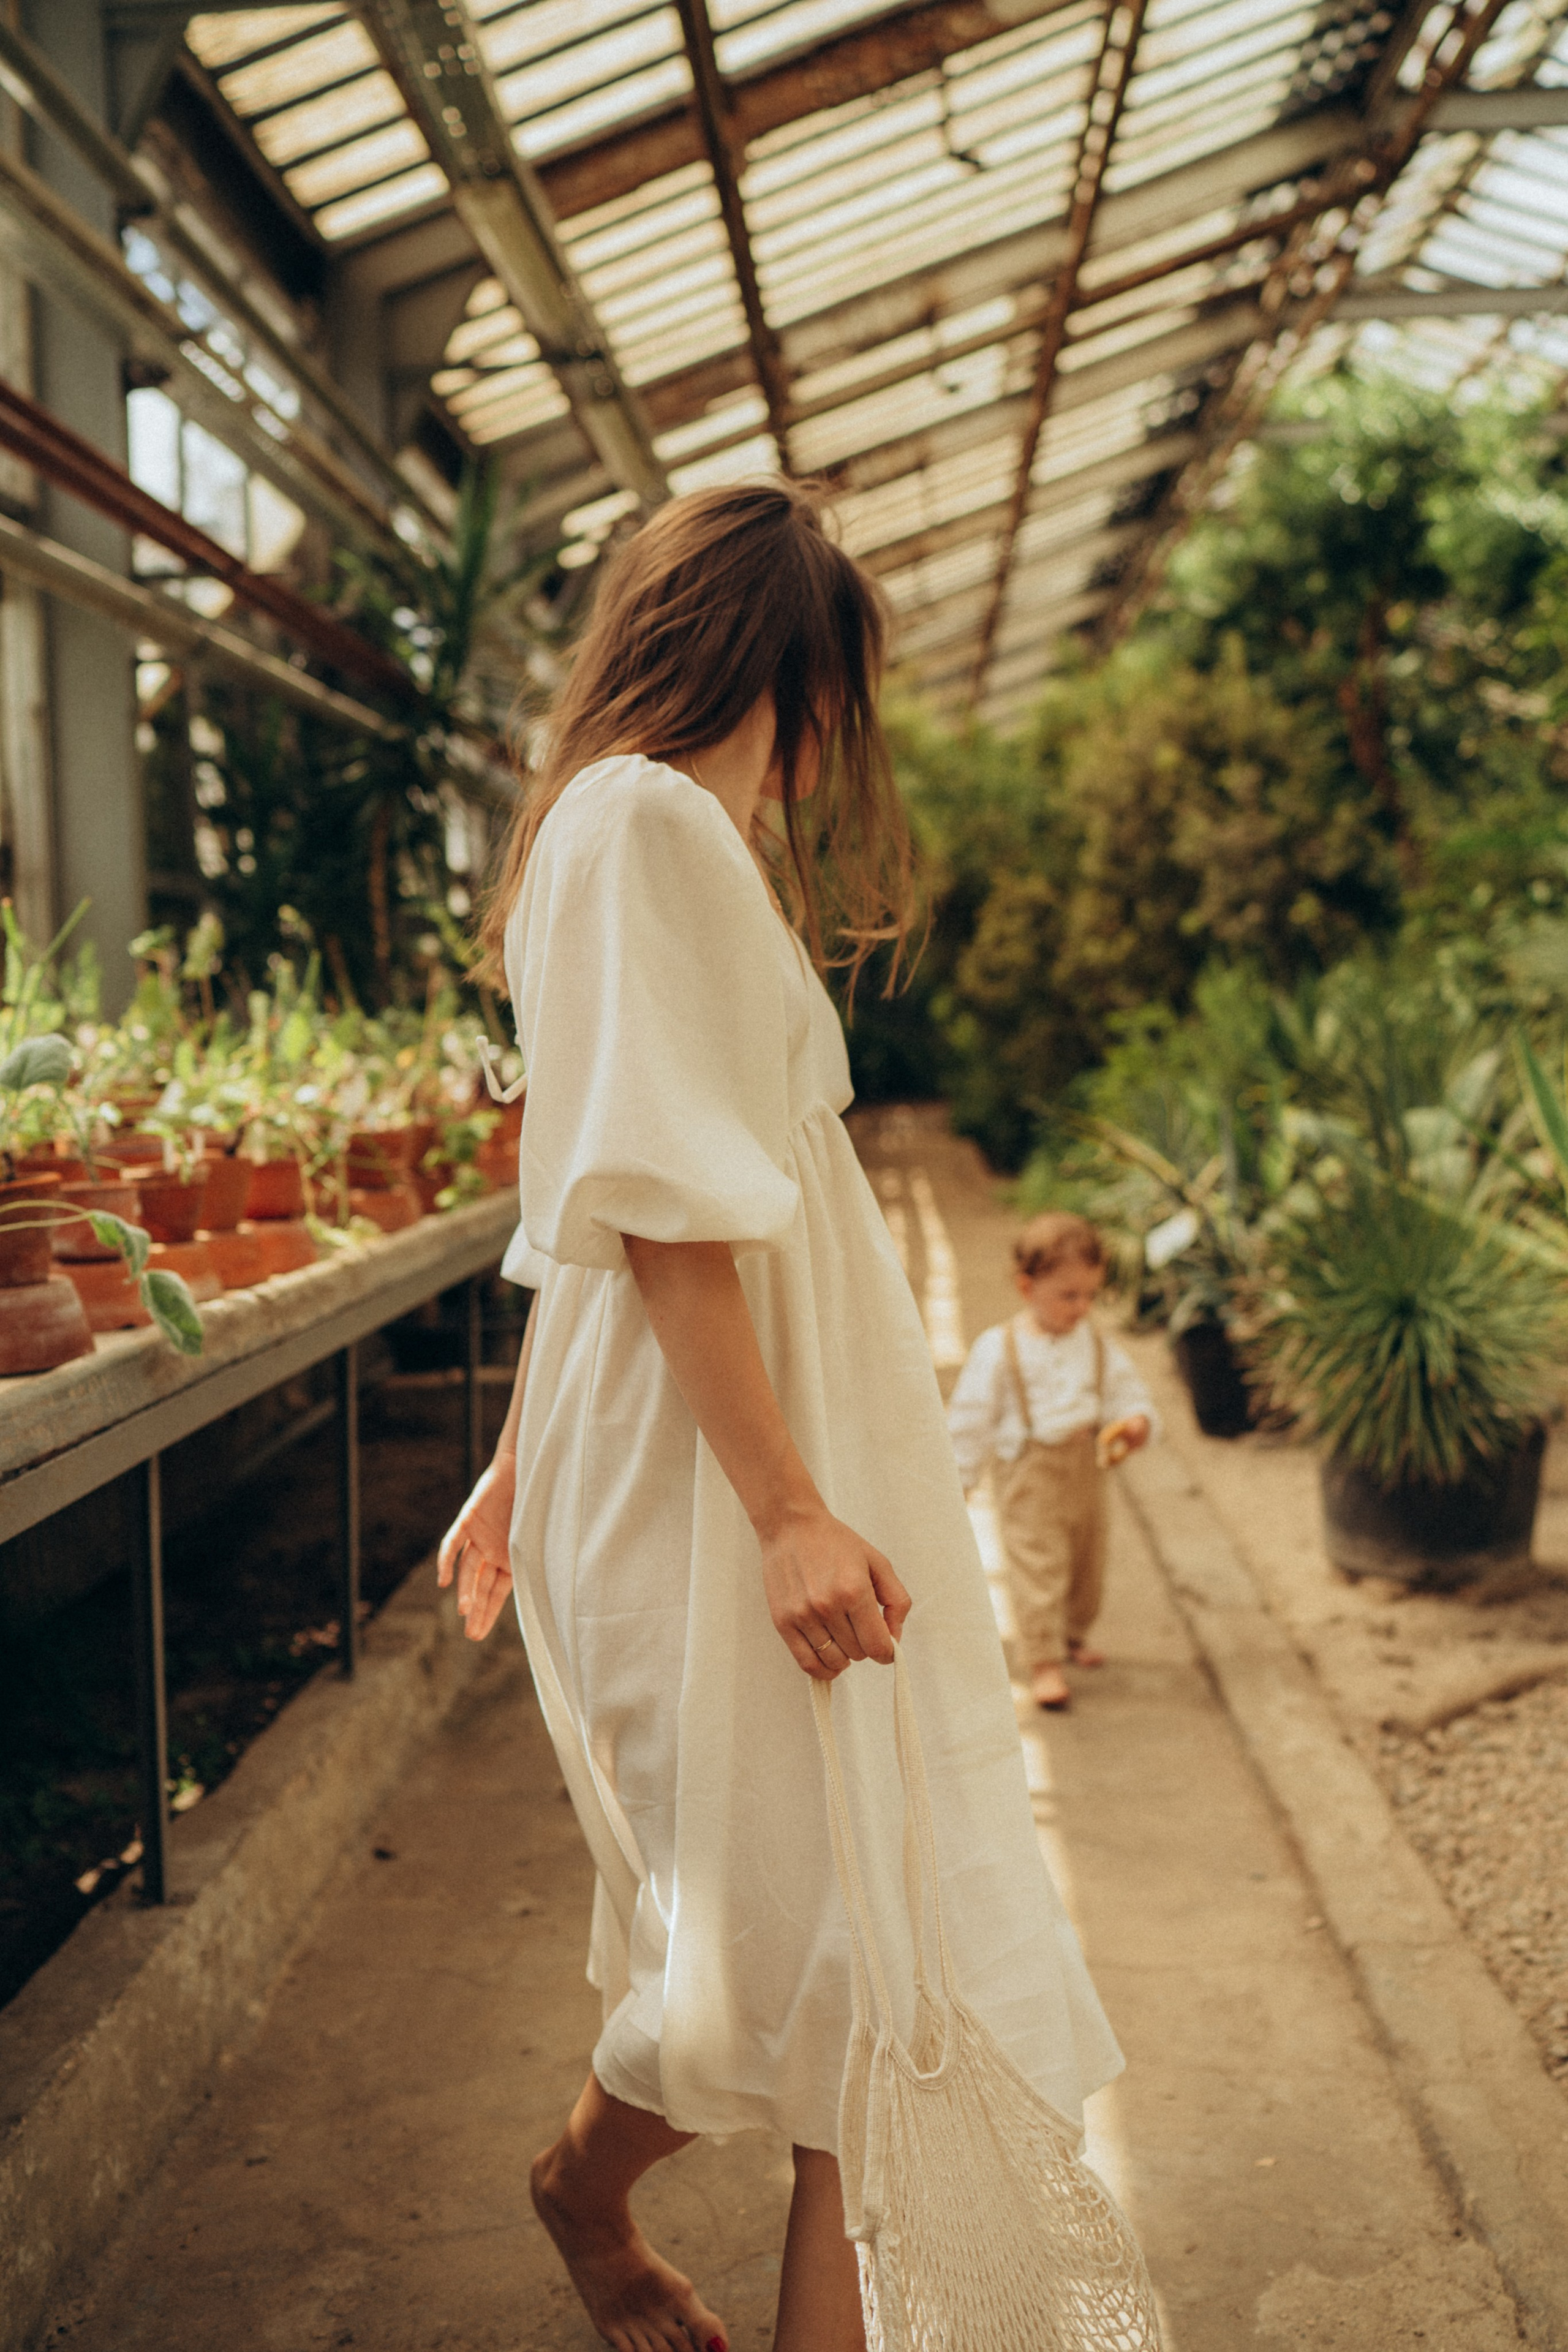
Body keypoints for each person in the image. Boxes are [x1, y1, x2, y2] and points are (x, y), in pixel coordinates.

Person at [437, 481, 1125, 2352]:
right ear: (806, 675)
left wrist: (514, 1458)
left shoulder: (631, 829)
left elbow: (586, 1194)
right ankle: (585, 2188)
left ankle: (619, 2208)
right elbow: (649, 1208)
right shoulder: (651, 822)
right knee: (813, 1932)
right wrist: (788, 1510)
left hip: (691, 1426)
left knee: (845, 1940)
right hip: (725, 1458)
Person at [947, 1210, 1158, 1714]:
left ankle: (1073, 1633)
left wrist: (1136, 1421)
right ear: (1027, 1287)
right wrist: (961, 1477)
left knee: (1088, 1561)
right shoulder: (999, 1349)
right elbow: (971, 1417)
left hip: (1087, 1466)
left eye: (1090, 1295)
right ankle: (1043, 1658)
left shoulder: (1095, 1343)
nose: (1082, 1307)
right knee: (1037, 1565)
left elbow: (1126, 1391)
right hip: (1031, 1472)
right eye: (1069, 1296)